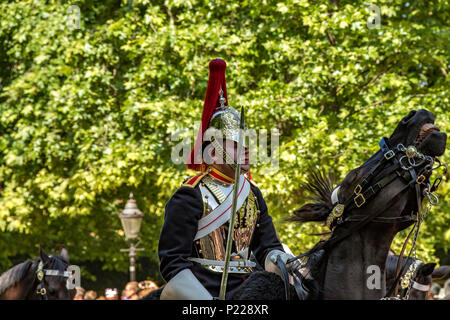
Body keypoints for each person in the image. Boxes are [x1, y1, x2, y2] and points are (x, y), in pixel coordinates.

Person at [158, 58, 298, 300]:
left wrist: (285, 261)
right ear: (212, 153)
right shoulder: (191, 194)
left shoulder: (252, 194)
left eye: (246, 143)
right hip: (203, 289)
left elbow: (267, 248)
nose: (245, 150)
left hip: (252, 287)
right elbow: (173, 261)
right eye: (235, 145)